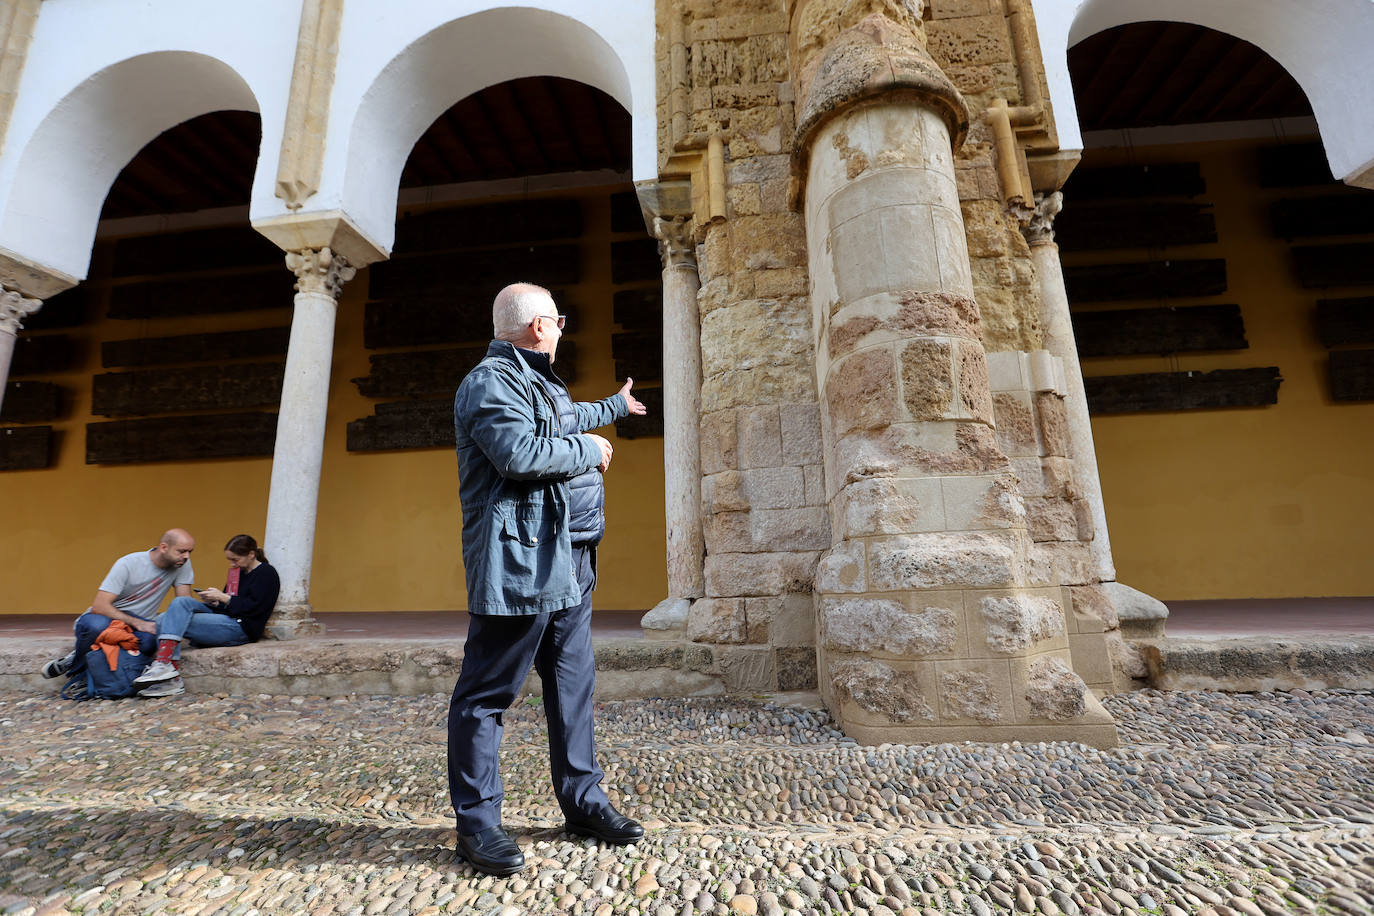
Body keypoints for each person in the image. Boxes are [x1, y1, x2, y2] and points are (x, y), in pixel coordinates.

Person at [447, 282, 648, 876]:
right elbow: (519, 453)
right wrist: (588, 450)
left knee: (572, 687)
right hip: (520, 565)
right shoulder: (488, 383)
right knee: (486, 697)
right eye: (559, 319)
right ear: (538, 326)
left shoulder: (536, 378)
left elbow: (565, 416)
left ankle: (583, 803)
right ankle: (478, 826)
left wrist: (614, 406)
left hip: (571, 560)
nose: (563, 327)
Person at [132, 533, 281, 698]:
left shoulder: (267, 573)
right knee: (179, 603)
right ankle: (166, 668)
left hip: (242, 627)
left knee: (165, 620)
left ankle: (167, 669)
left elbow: (255, 608)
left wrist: (224, 597)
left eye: (235, 559)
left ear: (251, 554)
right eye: (230, 560)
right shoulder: (237, 573)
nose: (232, 564)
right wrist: (215, 601)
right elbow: (229, 604)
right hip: (226, 617)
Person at [41, 529, 196, 683]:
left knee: (149, 643)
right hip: (107, 618)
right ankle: (77, 664)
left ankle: (84, 653)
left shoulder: (181, 565)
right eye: (181, 551)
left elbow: (183, 602)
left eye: (189, 552)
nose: (186, 557)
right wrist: (139, 623)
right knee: (94, 627)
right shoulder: (128, 563)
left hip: (138, 626)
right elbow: (100, 606)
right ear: (163, 547)